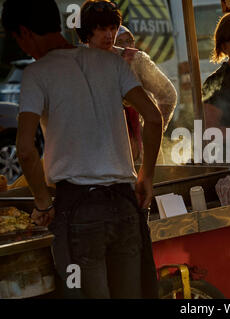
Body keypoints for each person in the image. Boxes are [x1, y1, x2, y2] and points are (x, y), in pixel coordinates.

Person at [2, 0, 163, 298]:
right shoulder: (112, 63)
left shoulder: (37, 73)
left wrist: (42, 202)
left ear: (24, 32)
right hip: (126, 206)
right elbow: (154, 117)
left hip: (78, 212)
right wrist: (146, 177)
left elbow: (25, 149)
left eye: (16, 40)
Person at [76, 0, 177, 163]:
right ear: (87, 33)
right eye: (102, 29)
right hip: (100, 158)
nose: (109, 35)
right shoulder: (77, 66)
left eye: (113, 28)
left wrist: (151, 130)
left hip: (143, 158)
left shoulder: (134, 60)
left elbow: (168, 95)